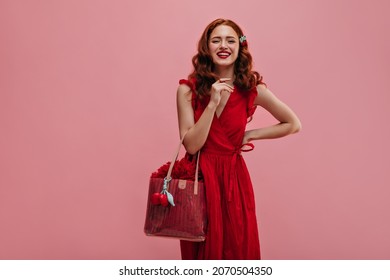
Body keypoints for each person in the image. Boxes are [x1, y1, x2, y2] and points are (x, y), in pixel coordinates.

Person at [176, 18, 301, 260]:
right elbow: (191, 144)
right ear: (206, 47)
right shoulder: (187, 89)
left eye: (230, 40)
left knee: (238, 250)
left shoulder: (252, 90)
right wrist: (212, 103)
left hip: (234, 182)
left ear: (240, 46)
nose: (224, 45)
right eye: (216, 40)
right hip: (199, 182)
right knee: (200, 254)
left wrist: (252, 134)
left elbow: (293, 124)